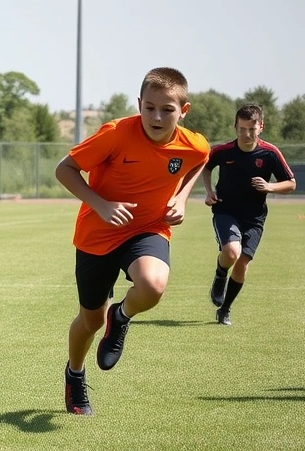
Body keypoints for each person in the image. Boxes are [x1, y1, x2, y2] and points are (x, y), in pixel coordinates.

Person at [54, 67, 210, 415]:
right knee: (91, 321)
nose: (156, 117)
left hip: (148, 229)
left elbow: (203, 158)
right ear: (139, 103)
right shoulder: (115, 134)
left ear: (183, 111)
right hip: (97, 235)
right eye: (149, 107)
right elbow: (64, 168)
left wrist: (183, 197)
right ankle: (75, 373)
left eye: (167, 110)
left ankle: (121, 317)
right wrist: (101, 204)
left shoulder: (191, 143)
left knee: (153, 285)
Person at [203, 104, 296, 326]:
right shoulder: (222, 151)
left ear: (260, 127)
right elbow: (205, 167)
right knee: (232, 252)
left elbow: (291, 183)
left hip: (254, 217)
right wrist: (209, 191)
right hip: (225, 210)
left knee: (243, 263)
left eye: (252, 129)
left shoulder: (270, 153)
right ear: (235, 127)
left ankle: (225, 309)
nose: (246, 134)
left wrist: (270, 187)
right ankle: (220, 274)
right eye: (242, 129)